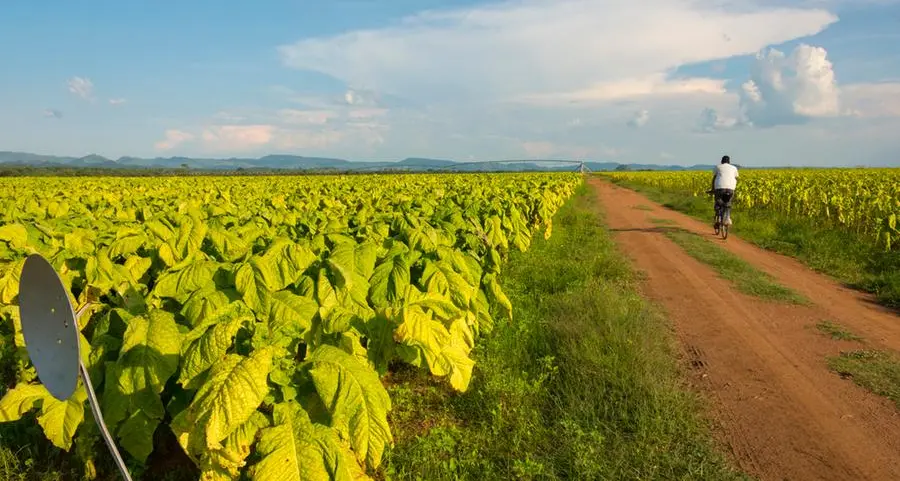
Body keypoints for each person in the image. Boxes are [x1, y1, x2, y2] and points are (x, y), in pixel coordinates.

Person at [709, 155, 738, 227]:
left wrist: (713, 189)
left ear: (721, 161)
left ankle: (718, 219)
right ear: (729, 162)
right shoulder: (734, 168)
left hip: (719, 188)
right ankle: (727, 218)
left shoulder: (718, 167)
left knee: (718, 201)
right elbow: (736, 178)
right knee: (728, 203)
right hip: (731, 188)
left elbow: (714, 178)